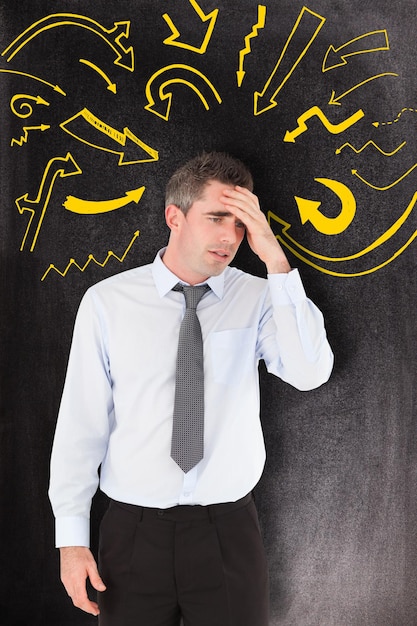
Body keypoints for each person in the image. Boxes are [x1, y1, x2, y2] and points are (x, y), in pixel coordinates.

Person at [49, 151, 333, 626]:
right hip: (132, 534)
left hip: (228, 532)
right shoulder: (107, 303)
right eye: (217, 217)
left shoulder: (262, 298)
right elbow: (81, 427)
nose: (230, 237)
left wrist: (275, 259)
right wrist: (71, 541)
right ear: (174, 217)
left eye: (242, 225)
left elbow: (310, 372)